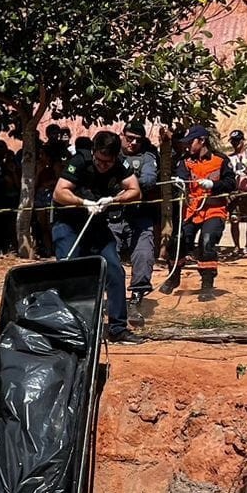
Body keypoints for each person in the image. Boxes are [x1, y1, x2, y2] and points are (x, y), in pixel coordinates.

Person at [51, 130, 143, 343]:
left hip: (97, 223)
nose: (103, 166)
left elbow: (135, 190)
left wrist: (113, 200)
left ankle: (118, 328)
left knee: (114, 270)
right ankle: (71, 329)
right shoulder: (79, 160)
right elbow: (59, 192)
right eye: (100, 161)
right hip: (69, 223)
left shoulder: (120, 163)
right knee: (70, 271)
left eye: (108, 163)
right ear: (93, 152)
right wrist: (82, 202)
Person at [160, 126, 235, 302]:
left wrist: (213, 185)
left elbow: (232, 183)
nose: (187, 146)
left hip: (214, 209)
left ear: (201, 141)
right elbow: (180, 175)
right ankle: (174, 277)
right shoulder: (185, 160)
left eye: (190, 142)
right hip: (192, 209)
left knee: (207, 241)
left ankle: (207, 285)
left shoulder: (221, 160)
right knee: (178, 239)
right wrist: (178, 182)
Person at [115, 122, 160, 326]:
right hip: (111, 217)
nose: (133, 143)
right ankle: (109, 300)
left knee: (144, 254)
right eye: (129, 138)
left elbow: (149, 180)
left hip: (140, 216)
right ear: (121, 135)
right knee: (107, 259)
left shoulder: (147, 158)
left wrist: (123, 186)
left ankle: (136, 300)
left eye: (137, 140)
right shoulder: (111, 154)